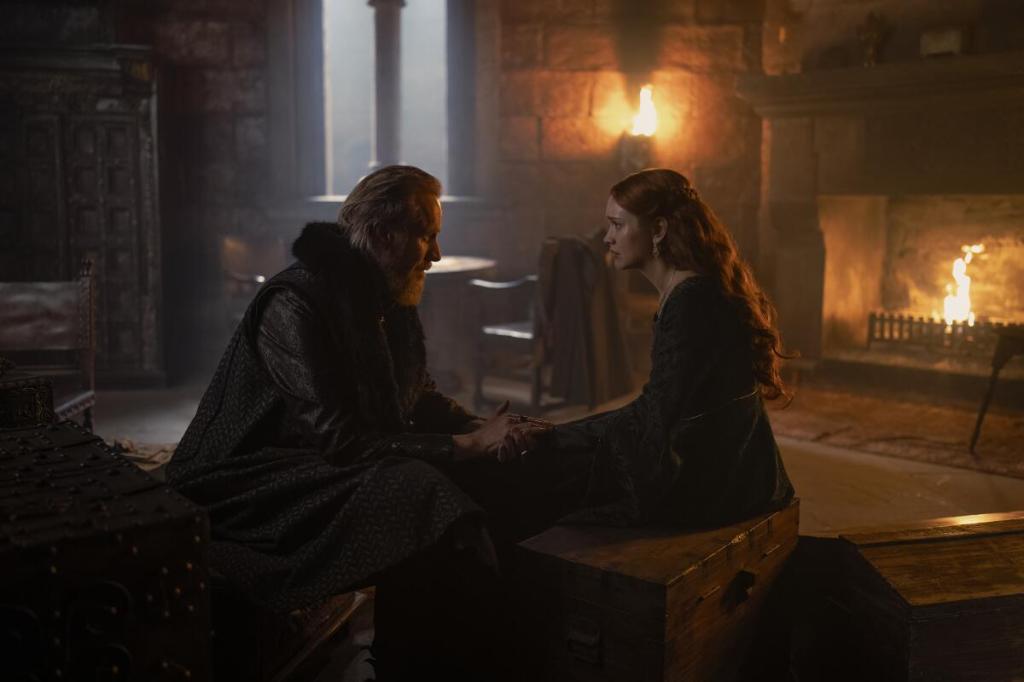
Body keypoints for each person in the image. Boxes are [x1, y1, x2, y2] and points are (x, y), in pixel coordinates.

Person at [165, 165, 550, 679]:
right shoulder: (293, 303)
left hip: (316, 457)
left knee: (480, 477)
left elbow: (417, 397)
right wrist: (467, 445)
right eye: (426, 236)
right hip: (245, 479)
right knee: (416, 489)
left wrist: (485, 428)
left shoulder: (387, 291)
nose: (436, 254)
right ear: (381, 235)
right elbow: (342, 442)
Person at [552, 168, 794, 528]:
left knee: (553, 484)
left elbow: (656, 414)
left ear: (659, 230)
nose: (607, 237)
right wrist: (560, 435)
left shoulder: (691, 301)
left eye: (617, 225)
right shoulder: (692, 290)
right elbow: (660, 410)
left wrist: (557, 436)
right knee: (565, 467)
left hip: (724, 487)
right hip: (736, 473)